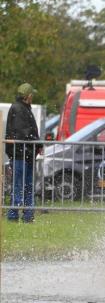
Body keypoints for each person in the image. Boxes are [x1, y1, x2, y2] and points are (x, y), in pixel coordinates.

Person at [5, 83, 43, 222]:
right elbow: (24, 133)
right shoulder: (19, 109)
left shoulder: (23, 108)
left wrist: (37, 144)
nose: (32, 97)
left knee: (26, 186)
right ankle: (14, 215)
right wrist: (38, 143)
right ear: (28, 96)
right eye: (32, 95)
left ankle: (27, 215)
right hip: (20, 154)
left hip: (25, 154)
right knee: (19, 186)